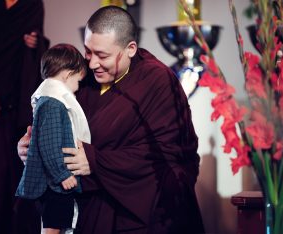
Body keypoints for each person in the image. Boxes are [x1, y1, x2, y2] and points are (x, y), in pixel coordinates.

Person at [18, 5, 205, 234]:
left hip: (141, 218)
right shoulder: (82, 78)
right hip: (87, 210)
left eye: (102, 55)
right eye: (88, 51)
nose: (92, 63)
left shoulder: (157, 81)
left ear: (131, 49)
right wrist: (32, 148)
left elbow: (169, 157)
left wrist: (96, 161)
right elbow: (53, 124)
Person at [16, 43, 90, 234]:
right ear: (67, 74)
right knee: (53, 226)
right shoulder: (52, 103)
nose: (77, 87)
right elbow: (48, 143)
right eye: (77, 81)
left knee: (57, 224)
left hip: (55, 183)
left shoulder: (50, 101)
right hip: (54, 185)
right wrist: (62, 175)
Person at [0, 0, 49, 233]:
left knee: (14, 172)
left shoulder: (33, 3)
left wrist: (37, 42)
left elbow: (41, 42)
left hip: (18, 97)